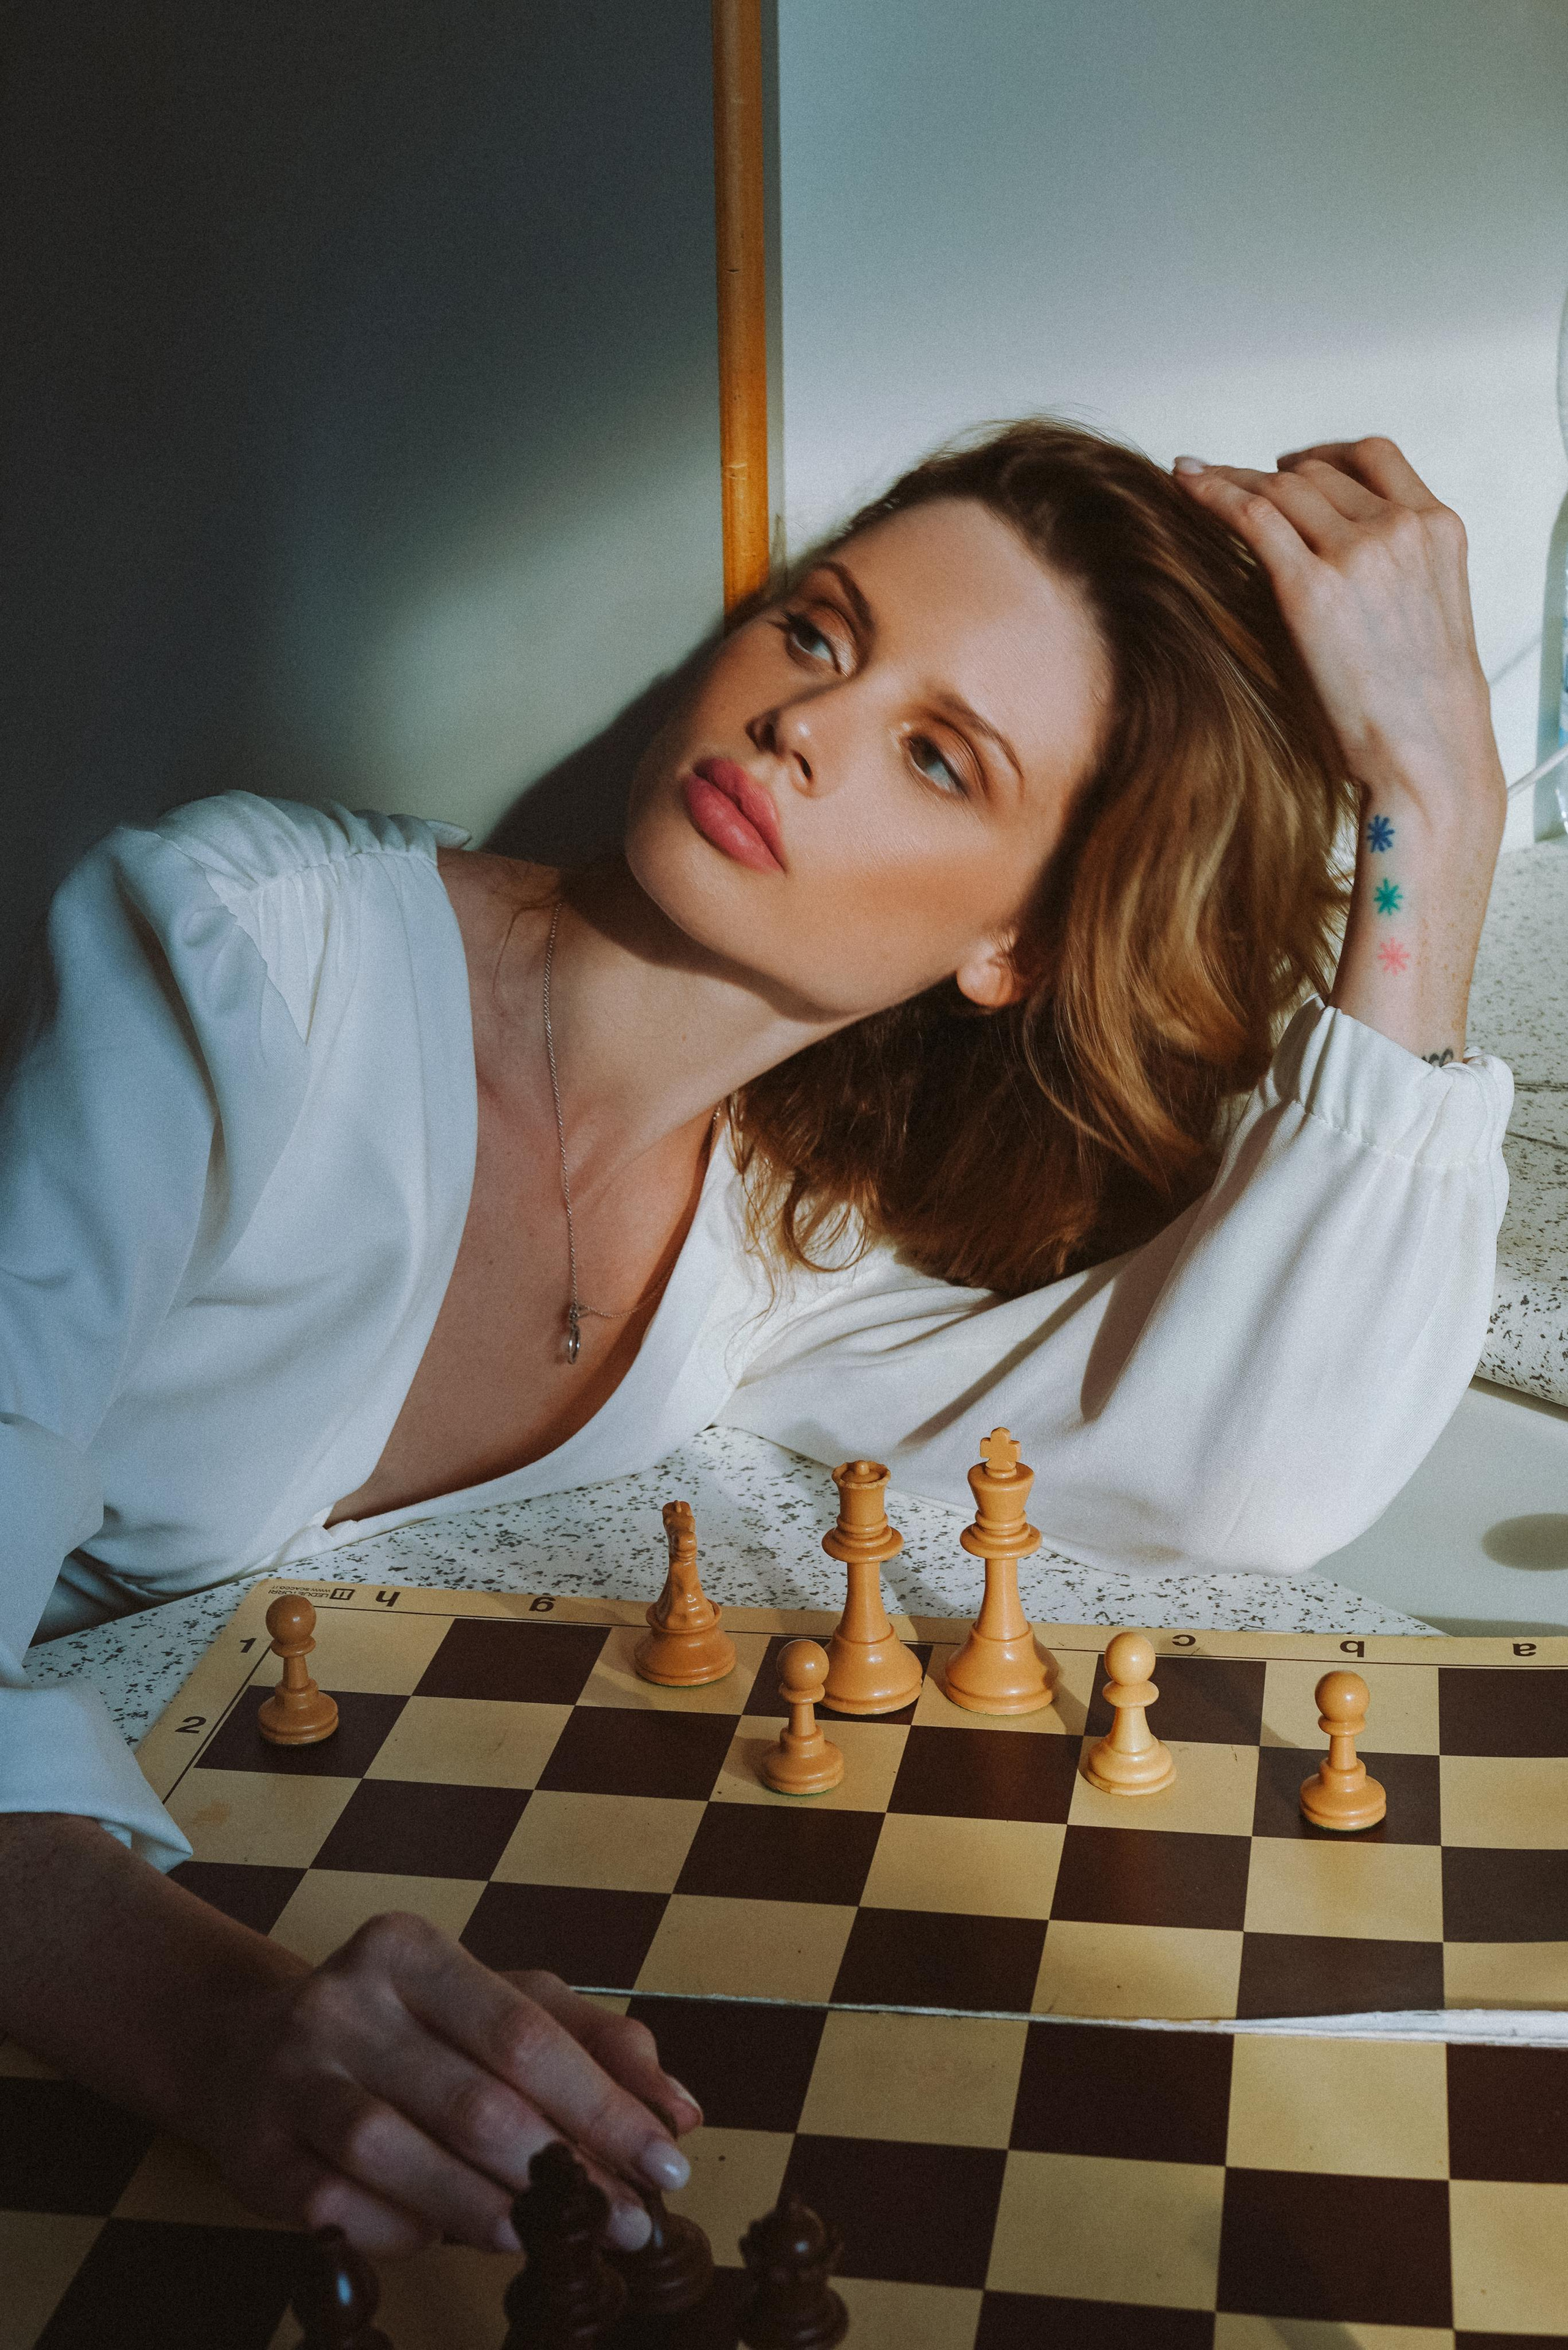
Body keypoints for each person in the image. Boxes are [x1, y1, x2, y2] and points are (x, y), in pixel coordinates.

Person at [0, 421, 1510, 2253]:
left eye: (940, 755)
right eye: (820, 631)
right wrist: (227, 2026)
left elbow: (1245, 1466)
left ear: (1014, 946)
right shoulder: (242, 965)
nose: (807, 724)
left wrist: (1433, 817)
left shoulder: (776, 1249)